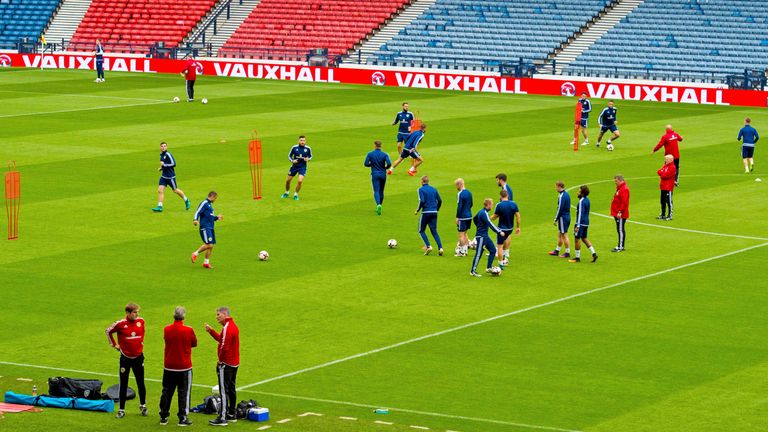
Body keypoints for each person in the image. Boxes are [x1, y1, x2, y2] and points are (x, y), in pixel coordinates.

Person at [106, 303, 147, 419]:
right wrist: (114, 344)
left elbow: (143, 331)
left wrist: (141, 342)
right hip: (125, 359)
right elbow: (108, 331)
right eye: (134, 312)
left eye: (137, 312)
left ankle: (143, 406)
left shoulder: (141, 321)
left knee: (141, 383)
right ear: (128, 313)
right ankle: (121, 410)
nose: (137, 314)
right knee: (123, 384)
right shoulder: (120, 324)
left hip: (138, 357)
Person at [159, 306, 197, 427]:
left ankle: (163, 416)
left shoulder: (166, 329)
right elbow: (194, 343)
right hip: (184, 367)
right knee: (184, 392)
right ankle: (182, 418)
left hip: (169, 367)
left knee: (166, 391)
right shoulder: (189, 330)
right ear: (183, 316)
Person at [205, 307, 240, 426]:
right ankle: (231, 414)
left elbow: (224, 346)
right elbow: (222, 340)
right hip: (234, 363)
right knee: (231, 389)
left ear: (225, 314)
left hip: (226, 364)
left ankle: (222, 417)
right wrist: (211, 331)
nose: (216, 317)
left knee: (223, 390)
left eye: (218, 315)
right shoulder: (232, 326)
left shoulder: (227, 328)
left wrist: (220, 361)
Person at [470, 198, 506, 277]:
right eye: (492, 205)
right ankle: (473, 271)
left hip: (485, 236)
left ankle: (489, 268)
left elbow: (474, 219)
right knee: (478, 254)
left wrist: (479, 225)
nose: (492, 206)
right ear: (488, 205)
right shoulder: (484, 213)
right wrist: (499, 232)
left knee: (493, 250)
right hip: (481, 236)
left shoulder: (481, 212)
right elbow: (490, 224)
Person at [152, 142, 191, 213]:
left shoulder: (168, 154)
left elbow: (174, 164)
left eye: (164, 146)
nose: (163, 147)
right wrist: (161, 168)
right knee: (160, 190)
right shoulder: (161, 155)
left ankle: (186, 200)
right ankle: (160, 207)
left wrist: (165, 165)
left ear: (166, 147)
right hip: (164, 176)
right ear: (160, 147)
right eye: (162, 146)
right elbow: (163, 164)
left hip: (170, 177)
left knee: (175, 190)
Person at [192, 191, 222, 269]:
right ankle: (195, 253)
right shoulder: (204, 203)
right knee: (209, 244)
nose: (215, 200)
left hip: (210, 227)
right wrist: (195, 219)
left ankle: (206, 263)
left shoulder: (209, 205)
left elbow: (210, 217)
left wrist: (217, 217)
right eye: (215, 198)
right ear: (212, 196)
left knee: (211, 246)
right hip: (205, 227)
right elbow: (197, 212)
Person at [490, 189, 520, 267]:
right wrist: (518, 227)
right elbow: (518, 216)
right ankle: (506, 257)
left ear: (500, 196)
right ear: (507, 195)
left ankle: (501, 264)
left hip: (501, 229)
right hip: (510, 228)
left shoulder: (499, 205)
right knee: (507, 238)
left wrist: (487, 219)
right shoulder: (514, 204)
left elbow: (495, 216)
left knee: (500, 247)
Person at [415, 175, 443, 255]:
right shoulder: (434, 189)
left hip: (426, 212)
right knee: (434, 231)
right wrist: (437, 209)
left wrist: (417, 210)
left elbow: (422, 201)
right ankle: (440, 248)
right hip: (434, 212)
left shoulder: (420, 189)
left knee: (421, 230)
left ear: (422, 181)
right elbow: (440, 200)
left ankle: (428, 246)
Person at [569, 185, 598, 263]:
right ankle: (594, 253)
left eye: (579, 191)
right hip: (586, 223)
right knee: (584, 238)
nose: (577, 192)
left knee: (577, 239)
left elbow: (580, 214)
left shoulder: (581, 201)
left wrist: (577, 226)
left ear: (582, 193)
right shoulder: (587, 200)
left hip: (580, 223)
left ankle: (577, 257)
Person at [363, 140, 391, 215]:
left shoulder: (370, 154)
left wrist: (371, 165)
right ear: (381, 146)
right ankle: (380, 205)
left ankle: (378, 205)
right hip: (383, 174)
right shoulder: (385, 154)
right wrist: (385, 167)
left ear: (374, 145)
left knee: (376, 191)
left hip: (375, 174)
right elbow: (389, 163)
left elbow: (365, 163)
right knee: (381, 191)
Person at [281, 135, 312, 200]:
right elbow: (289, 155)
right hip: (294, 167)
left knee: (300, 181)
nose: (302, 142)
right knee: (288, 181)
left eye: (304, 140)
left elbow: (310, 156)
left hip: (302, 167)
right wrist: (292, 160)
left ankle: (296, 194)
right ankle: (286, 193)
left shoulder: (308, 148)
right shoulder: (294, 147)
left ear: (305, 141)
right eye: (301, 140)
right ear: (298, 141)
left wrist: (308, 159)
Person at [548, 181, 571, 258]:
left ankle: (567, 252)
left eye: (556, 187)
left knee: (564, 235)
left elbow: (560, 208)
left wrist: (556, 219)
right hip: (567, 216)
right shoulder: (567, 194)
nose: (555, 188)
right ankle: (557, 250)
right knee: (560, 234)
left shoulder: (561, 196)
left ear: (559, 187)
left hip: (563, 218)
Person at [610, 175, 630, 252]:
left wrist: (620, 212)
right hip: (617, 212)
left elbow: (624, 202)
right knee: (619, 229)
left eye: (616, 181)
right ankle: (620, 245)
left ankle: (620, 246)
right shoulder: (620, 188)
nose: (615, 182)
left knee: (620, 229)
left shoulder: (624, 189)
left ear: (620, 180)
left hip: (621, 214)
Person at [454, 178, 473, 257]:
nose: (456, 187)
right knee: (465, 233)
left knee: (461, 235)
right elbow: (471, 204)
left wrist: (457, 217)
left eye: (456, 185)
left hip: (462, 217)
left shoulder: (460, 194)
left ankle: (462, 252)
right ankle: (465, 250)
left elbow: (459, 206)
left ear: (459, 184)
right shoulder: (469, 193)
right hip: (469, 216)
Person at [657, 154, 677, 220]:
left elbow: (664, 176)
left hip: (668, 187)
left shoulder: (672, 167)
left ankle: (670, 216)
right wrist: (662, 173)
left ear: (671, 160)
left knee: (669, 201)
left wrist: (662, 173)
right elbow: (658, 172)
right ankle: (663, 214)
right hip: (663, 186)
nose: (665, 160)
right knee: (662, 201)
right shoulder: (665, 165)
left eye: (666, 159)